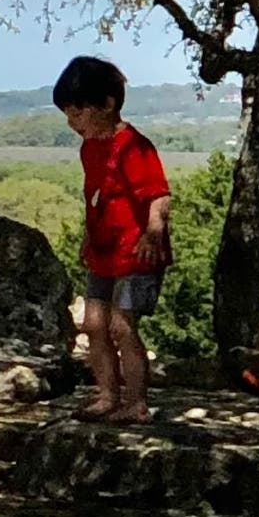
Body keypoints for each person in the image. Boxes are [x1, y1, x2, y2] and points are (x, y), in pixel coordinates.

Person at [54, 54, 171, 424]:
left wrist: (153, 233)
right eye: (69, 116)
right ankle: (106, 395)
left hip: (136, 251)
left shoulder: (134, 147)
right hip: (104, 250)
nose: (74, 124)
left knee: (122, 326)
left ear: (106, 105)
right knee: (93, 324)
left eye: (78, 114)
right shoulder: (90, 149)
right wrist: (89, 236)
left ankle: (136, 402)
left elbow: (158, 195)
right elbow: (96, 196)